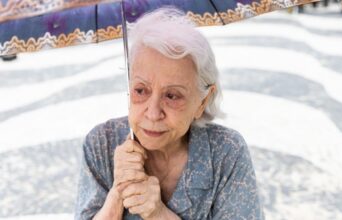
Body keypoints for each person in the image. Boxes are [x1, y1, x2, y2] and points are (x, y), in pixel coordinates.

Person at [75, 8, 264, 220]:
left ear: (203, 101)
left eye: (172, 96)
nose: (153, 113)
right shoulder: (101, 143)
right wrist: (118, 192)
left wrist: (158, 213)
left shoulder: (225, 151)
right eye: (140, 90)